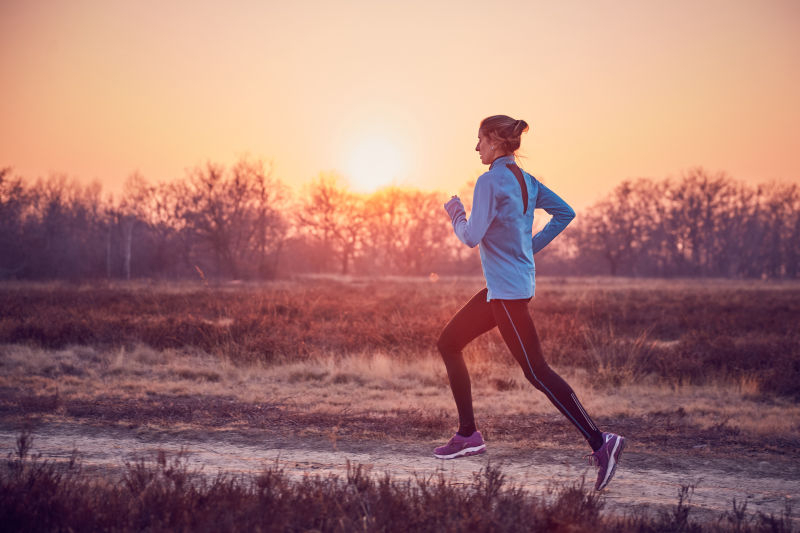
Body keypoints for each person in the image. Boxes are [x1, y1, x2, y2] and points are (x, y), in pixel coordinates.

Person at [436, 114, 625, 491]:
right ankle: (469, 434)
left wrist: (456, 214)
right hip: (507, 288)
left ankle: (601, 441)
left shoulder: (489, 181)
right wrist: (528, 248)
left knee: (536, 371)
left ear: (494, 141)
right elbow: (565, 213)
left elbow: (472, 236)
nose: (476, 147)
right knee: (449, 342)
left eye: (479, 140)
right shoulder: (527, 180)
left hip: (506, 293)